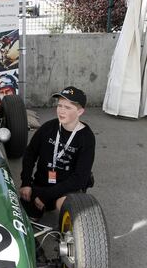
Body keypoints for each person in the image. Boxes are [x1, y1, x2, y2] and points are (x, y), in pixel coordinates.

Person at [19, 86, 95, 219]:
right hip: (42, 183)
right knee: (27, 218)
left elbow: (80, 178)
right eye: (60, 105)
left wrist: (46, 196)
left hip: (67, 189)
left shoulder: (86, 138)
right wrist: (26, 182)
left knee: (71, 212)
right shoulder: (48, 127)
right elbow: (30, 154)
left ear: (80, 111)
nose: (61, 111)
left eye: (68, 107)